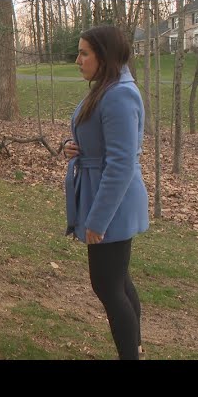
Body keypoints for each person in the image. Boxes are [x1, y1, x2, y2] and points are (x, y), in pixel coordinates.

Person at [63, 25, 149, 360]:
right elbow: (99, 138)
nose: (78, 60)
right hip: (102, 195)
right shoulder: (107, 88)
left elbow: (121, 164)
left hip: (113, 203)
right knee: (118, 281)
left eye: (84, 53)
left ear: (104, 55)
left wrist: (97, 221)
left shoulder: (119, 95)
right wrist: (75, 147)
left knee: (107, 285)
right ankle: (135, 348)